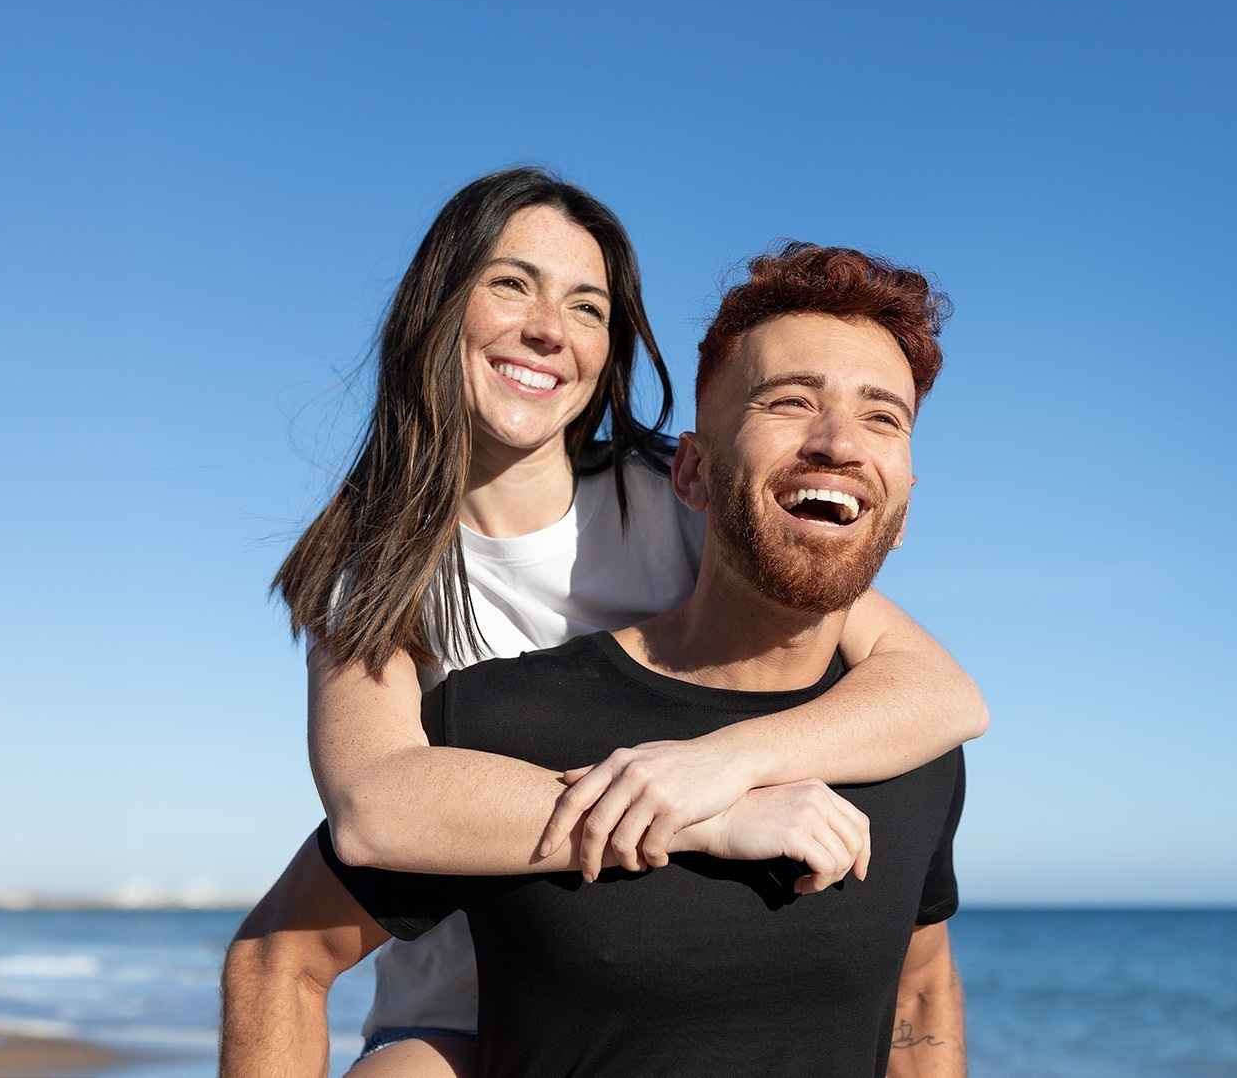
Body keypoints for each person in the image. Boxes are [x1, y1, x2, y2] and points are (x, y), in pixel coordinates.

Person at [220, 170, 985, 1078]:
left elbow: (938, 692)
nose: (549, 327)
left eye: (587, 307)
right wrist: (699, 814)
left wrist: (721, 764)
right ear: (438, 305)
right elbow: (375, 806)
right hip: (456, 996)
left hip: (662, 945)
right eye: (511, 283)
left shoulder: (674, 494)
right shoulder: (375, 563)